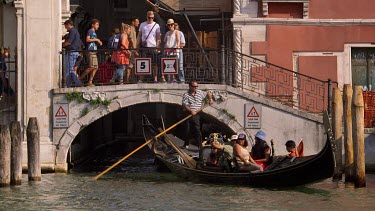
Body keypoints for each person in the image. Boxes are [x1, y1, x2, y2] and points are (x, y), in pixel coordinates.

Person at [181, 81, 214, 149]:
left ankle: (199, 145)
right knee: (187, 129)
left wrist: (210, 99)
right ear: (190, 86)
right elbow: (184, 105)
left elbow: (208, 94)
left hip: (197, 113)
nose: (196, 88)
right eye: (194, 86)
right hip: (188, 113)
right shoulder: (186, 95)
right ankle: (186, 144)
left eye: (196, 86)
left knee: (196, 128)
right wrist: (191, 110)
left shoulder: (200, 93)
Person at [137, 11, 162, 83]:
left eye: (152, 17)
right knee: (143, 62)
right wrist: (137, 46)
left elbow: (158, 37)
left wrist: (157, 46)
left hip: (153, 46)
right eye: (149, 17)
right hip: (144, 46)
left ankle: (155, 78)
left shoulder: (156, 25)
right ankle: (141, 78)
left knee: (155, 63)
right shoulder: (142, 24)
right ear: (146, 17)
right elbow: (139, 35)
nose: (151, 19)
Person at [79, 19, 102, 87]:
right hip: (90, 51)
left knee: (96, 67)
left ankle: (90, 81)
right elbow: (87, 39)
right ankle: (79, 78)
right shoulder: (90, 31)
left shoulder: (94, 32)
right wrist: (96, 39)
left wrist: (98, 41)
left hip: (94, 51)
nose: (98, 26)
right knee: (91, 67)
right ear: (93, 24)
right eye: (97, 24)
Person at [62, 20, 83, 87]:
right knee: (70, 69)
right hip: (74, 52)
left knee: (69, 70)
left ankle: (76, 84)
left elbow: (69, 42)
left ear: (68, 24)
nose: (66, 28)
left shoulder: (72, 31)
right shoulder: (75, 31)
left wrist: (60, 45)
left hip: (72, 52)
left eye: (66, 26)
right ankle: (69, 84)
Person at [163, 18, 180, 83]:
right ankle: (171, 79)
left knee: (174, 66)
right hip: (168, 51)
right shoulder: (167, 33)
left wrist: (177, 47)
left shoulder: (176, 32)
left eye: (171, 25)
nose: (170, 26)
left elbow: (178, 40)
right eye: (168, 25)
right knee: (168, 65)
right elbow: (165, 42)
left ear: (173, 25)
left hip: (174, 51)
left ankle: (174, 79)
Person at [127, 17, 140, 83]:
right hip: (132, 50)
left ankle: (131, 79)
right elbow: (131, 39)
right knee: (130, 64)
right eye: (137, 22)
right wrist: (134, 50)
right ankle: (127, 79)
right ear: (133, 22)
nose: (138, 23)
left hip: (133, 49)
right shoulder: (131, 29)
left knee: (132, 65)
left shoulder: (134, 29)